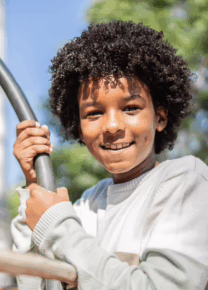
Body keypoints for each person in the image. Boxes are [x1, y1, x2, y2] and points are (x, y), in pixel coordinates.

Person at [11, 21, 208, 290]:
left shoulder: (186, 183)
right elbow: (34, 285)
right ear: (78, 126)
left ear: (160, 117)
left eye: (130, 108)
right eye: (94, 113)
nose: (112, 126)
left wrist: (56, 225)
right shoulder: (86, 206)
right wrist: (34, 184)